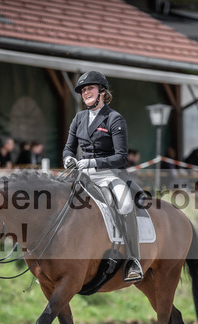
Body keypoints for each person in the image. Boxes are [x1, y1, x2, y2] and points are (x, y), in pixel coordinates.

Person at [62, 71, 142, 282]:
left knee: (125, 205)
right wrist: (68, 159)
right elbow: (69, 148)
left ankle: (133, 260)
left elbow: (121, 157)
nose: (86, 92)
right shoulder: (78, 118)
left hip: (109, 174)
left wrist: (92, 162)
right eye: (83, 90)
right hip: (82, 174)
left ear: (102, 91)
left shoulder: (114, 119)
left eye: (90, 88)